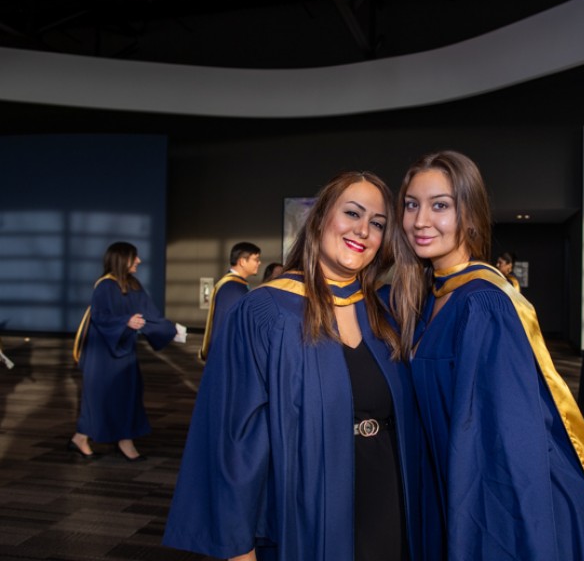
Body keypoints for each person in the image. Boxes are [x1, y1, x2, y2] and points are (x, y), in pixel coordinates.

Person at [163, 171, 438, 561]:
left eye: (377, 223)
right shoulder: (265, 312)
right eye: (352, 214)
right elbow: (234, 436)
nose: (363, 230)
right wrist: (238, 546)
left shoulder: (384, 314)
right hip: (307, 504)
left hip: (386, 495)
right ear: (321, 218)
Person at [390, 151, 584, 560]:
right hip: (452, 492)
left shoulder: (483, 306)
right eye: (411, 204)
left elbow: (506, 448)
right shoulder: (429, 298)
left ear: (471, 215)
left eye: (440, 205)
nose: (420, 220)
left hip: (500, 511)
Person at [70, 241, 182, 461]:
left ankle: (123, 438)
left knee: (128, 394)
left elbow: (149, 314)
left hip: (124, 352)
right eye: (134, 257)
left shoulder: (133, 284)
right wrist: (125, 321)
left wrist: (169, 329)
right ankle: (82, 437)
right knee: (101, 397)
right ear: (122, 259)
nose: (139, 261)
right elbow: (101, 318)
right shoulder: (104, 286)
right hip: (102, 355)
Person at [199, 242, 261, 360]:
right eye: (256, 259)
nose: (259, 263)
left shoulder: (234, 284)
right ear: (242, 261)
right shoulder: (232, 288)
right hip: (229, 355)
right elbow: (227, 326)